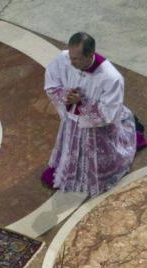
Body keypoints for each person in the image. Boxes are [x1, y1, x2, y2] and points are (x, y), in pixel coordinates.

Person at [42, 32, 144, 195]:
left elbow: (109, 113)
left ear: (90, 54)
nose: (71, 62)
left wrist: (81, 103)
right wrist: (65, 94)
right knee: (69, 146)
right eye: (70, 56)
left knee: (100, 156)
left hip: (96, 129)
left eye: (76, 59)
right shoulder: (65, 58)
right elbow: (52, 82)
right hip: (71, 122)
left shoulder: (111, 78)